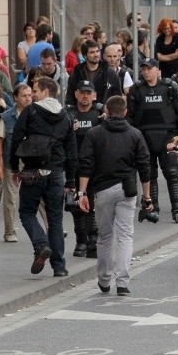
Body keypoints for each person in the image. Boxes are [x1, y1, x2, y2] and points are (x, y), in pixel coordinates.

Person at [77, 95, 152, 296]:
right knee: (126, 234)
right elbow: (145, 166)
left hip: (102, 190)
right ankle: (122, 282)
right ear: (125, 112)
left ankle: (103, 278)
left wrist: (82, 192)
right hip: (127, 189)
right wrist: (147, 197)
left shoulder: (94, 134)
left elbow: (86, 164)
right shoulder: (135, 134)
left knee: (105, 236)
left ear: (107, 112)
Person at [9, 78, 77, 277]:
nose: (33, 95)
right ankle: (60, 266)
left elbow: (16, 139)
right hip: (56, 173)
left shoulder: (31, 112)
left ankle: (40, 244)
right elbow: (72, 152)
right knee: (55, 218)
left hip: (33, 171)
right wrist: (71, 181)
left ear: (47, 91)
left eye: (36, 91)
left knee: (27, 212)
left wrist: (14, 168)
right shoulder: (66, 116)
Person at [126, 58, 178, 222]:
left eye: (149, 69)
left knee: (172, 174)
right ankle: (153, 209)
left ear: (157, 70)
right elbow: (130, 116)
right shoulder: (136, 90)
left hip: (167, 136)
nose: (146, 72)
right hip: (144, 136)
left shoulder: (169, 87)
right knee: (149, 174)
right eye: (143, 69)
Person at [66, 81, 104, 258]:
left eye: (88, 93)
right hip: (73, 167)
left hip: (94, 168)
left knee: (91, 205)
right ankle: (81, 241)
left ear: (93, 95)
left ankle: (93, 241)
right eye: (82, 92)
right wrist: (68, 129)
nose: (85, 96)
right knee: (75, 206)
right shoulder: (69, 114)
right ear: (76, 94)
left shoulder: (99, 115)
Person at [0, 83, 32, 242]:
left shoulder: (36, 114)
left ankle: (51, 228)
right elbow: (0, 142)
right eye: (24, 96)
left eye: (30, 95)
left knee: (39, 197)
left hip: (32, 162)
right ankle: (10, 231)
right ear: (15, 98)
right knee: (10, 198)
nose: (28, 98)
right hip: (11, 162)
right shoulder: (6, 117)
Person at [66, 40, 122, 107]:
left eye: (97, 51)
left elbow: (117, 96)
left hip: (103, 113)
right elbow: (70, 94)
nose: (96, 55)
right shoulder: (77, 72)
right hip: (81, 112)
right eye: (92, 52)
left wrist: (108, 111)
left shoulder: (109, 72)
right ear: (85, 56)